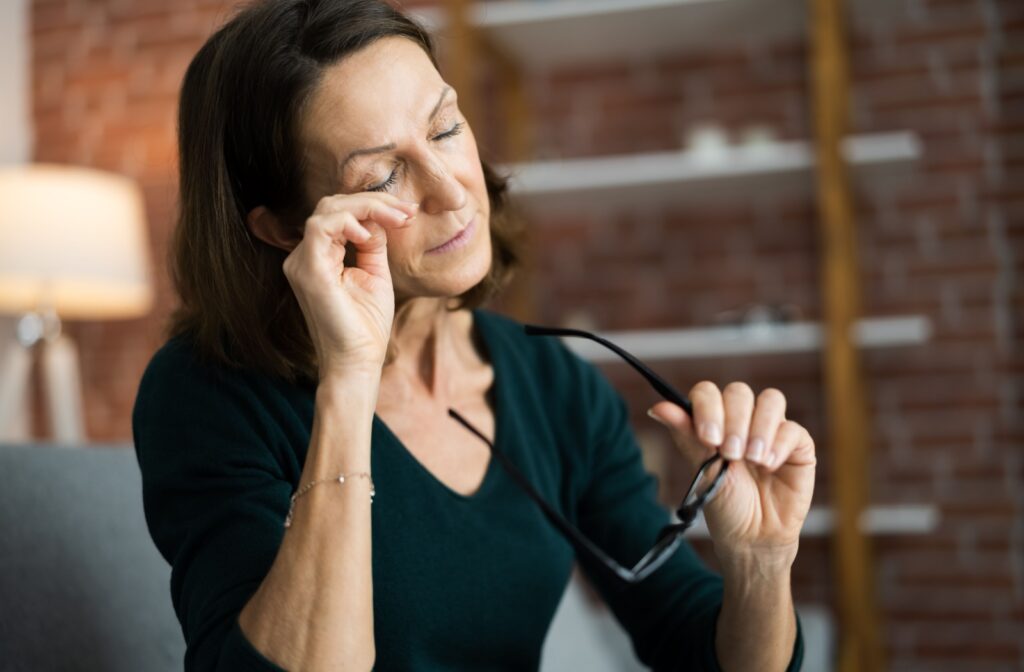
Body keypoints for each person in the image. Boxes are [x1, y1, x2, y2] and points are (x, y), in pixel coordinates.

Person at [131, 1, 816, 670]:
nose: (452, 191)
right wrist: (348, 383)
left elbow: (695, 646)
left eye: (445, 128)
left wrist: (761, 564)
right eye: (383, 175)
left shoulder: (555, 384)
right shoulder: (206, 392)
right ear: (285, 229)